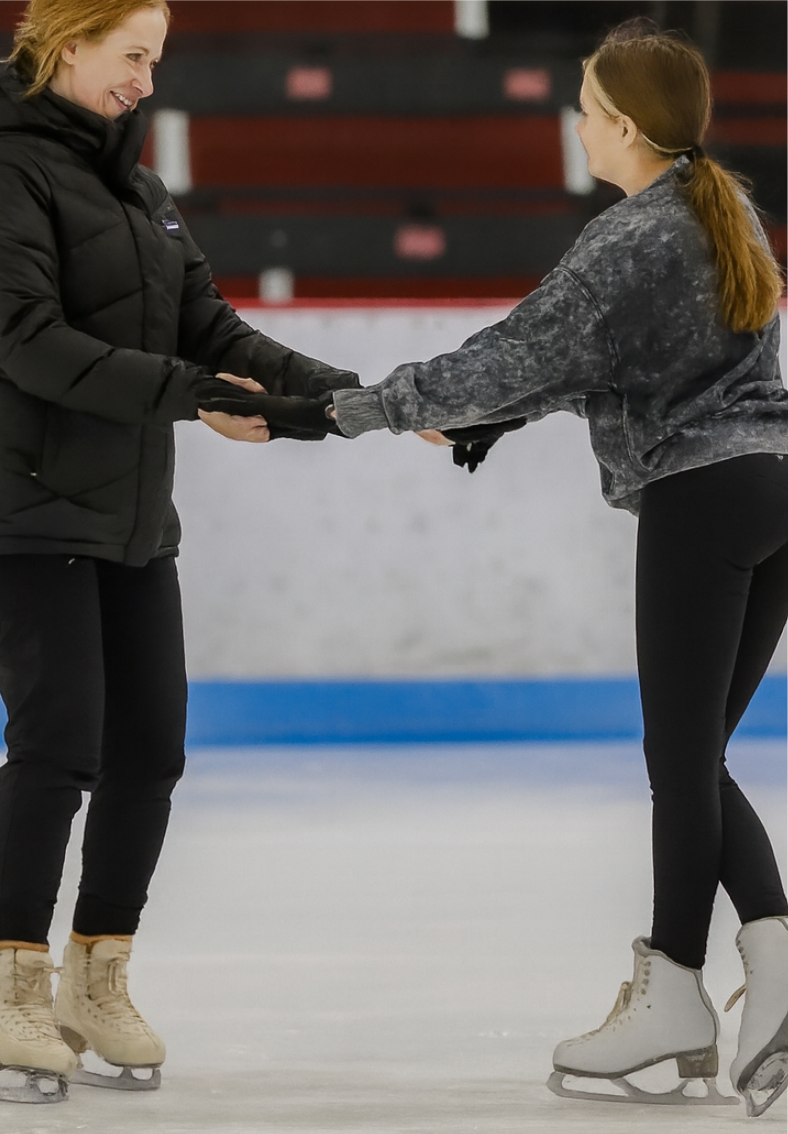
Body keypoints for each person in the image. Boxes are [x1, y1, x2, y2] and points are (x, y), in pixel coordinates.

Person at [199, 21, 788, 1116]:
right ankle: (746, 975)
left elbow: (506, 357)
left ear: (620, 123)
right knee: (696, 755)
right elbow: (612, 361)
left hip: (702, 500)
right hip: (773, 494)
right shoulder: (725, 210)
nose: (574, 124)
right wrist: (501, 424)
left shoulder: (632, 238)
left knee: (680, 759)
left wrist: (310, 419)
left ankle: (680, 992)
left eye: (583, 106)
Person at [0, 0, 358, 1105]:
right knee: (61, 743)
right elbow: (29, 343)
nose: (146, 80)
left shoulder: (137, 187)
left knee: (151, 752)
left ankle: (95, 979)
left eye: (156, 61)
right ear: (67, 44)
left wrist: (354, 398)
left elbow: (209, 327)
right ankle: (10, 996)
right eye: (132, 57)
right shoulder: (0, 181)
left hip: (126, 518)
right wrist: (193, 399)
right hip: (22, 512)